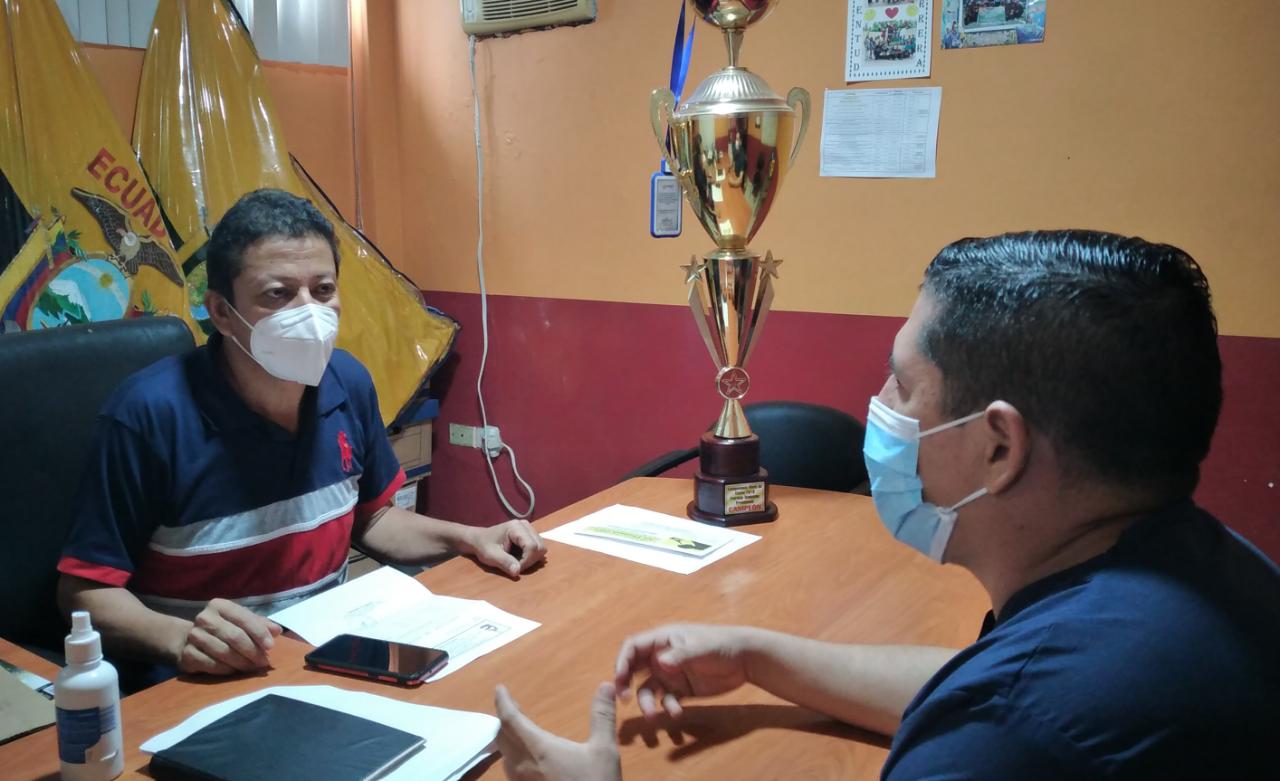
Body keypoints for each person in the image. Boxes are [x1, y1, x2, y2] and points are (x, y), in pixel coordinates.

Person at [492, 230, 1279, 779]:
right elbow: (968, 682)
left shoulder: (1013, 737)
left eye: (901, 382)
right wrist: (758, 655)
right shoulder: (1194, 568)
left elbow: (1003, 709)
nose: (880, 403)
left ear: (999, 447)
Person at [57, 189, 546, 677]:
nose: (309, 311)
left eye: (323, 290)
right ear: (222, 312)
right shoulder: (148, 414)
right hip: (201, 681)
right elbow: (85, 592)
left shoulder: (348, 382)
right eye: (278, 294)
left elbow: (374, 518)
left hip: (323, 656)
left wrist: (470, 538)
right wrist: (181, 638)